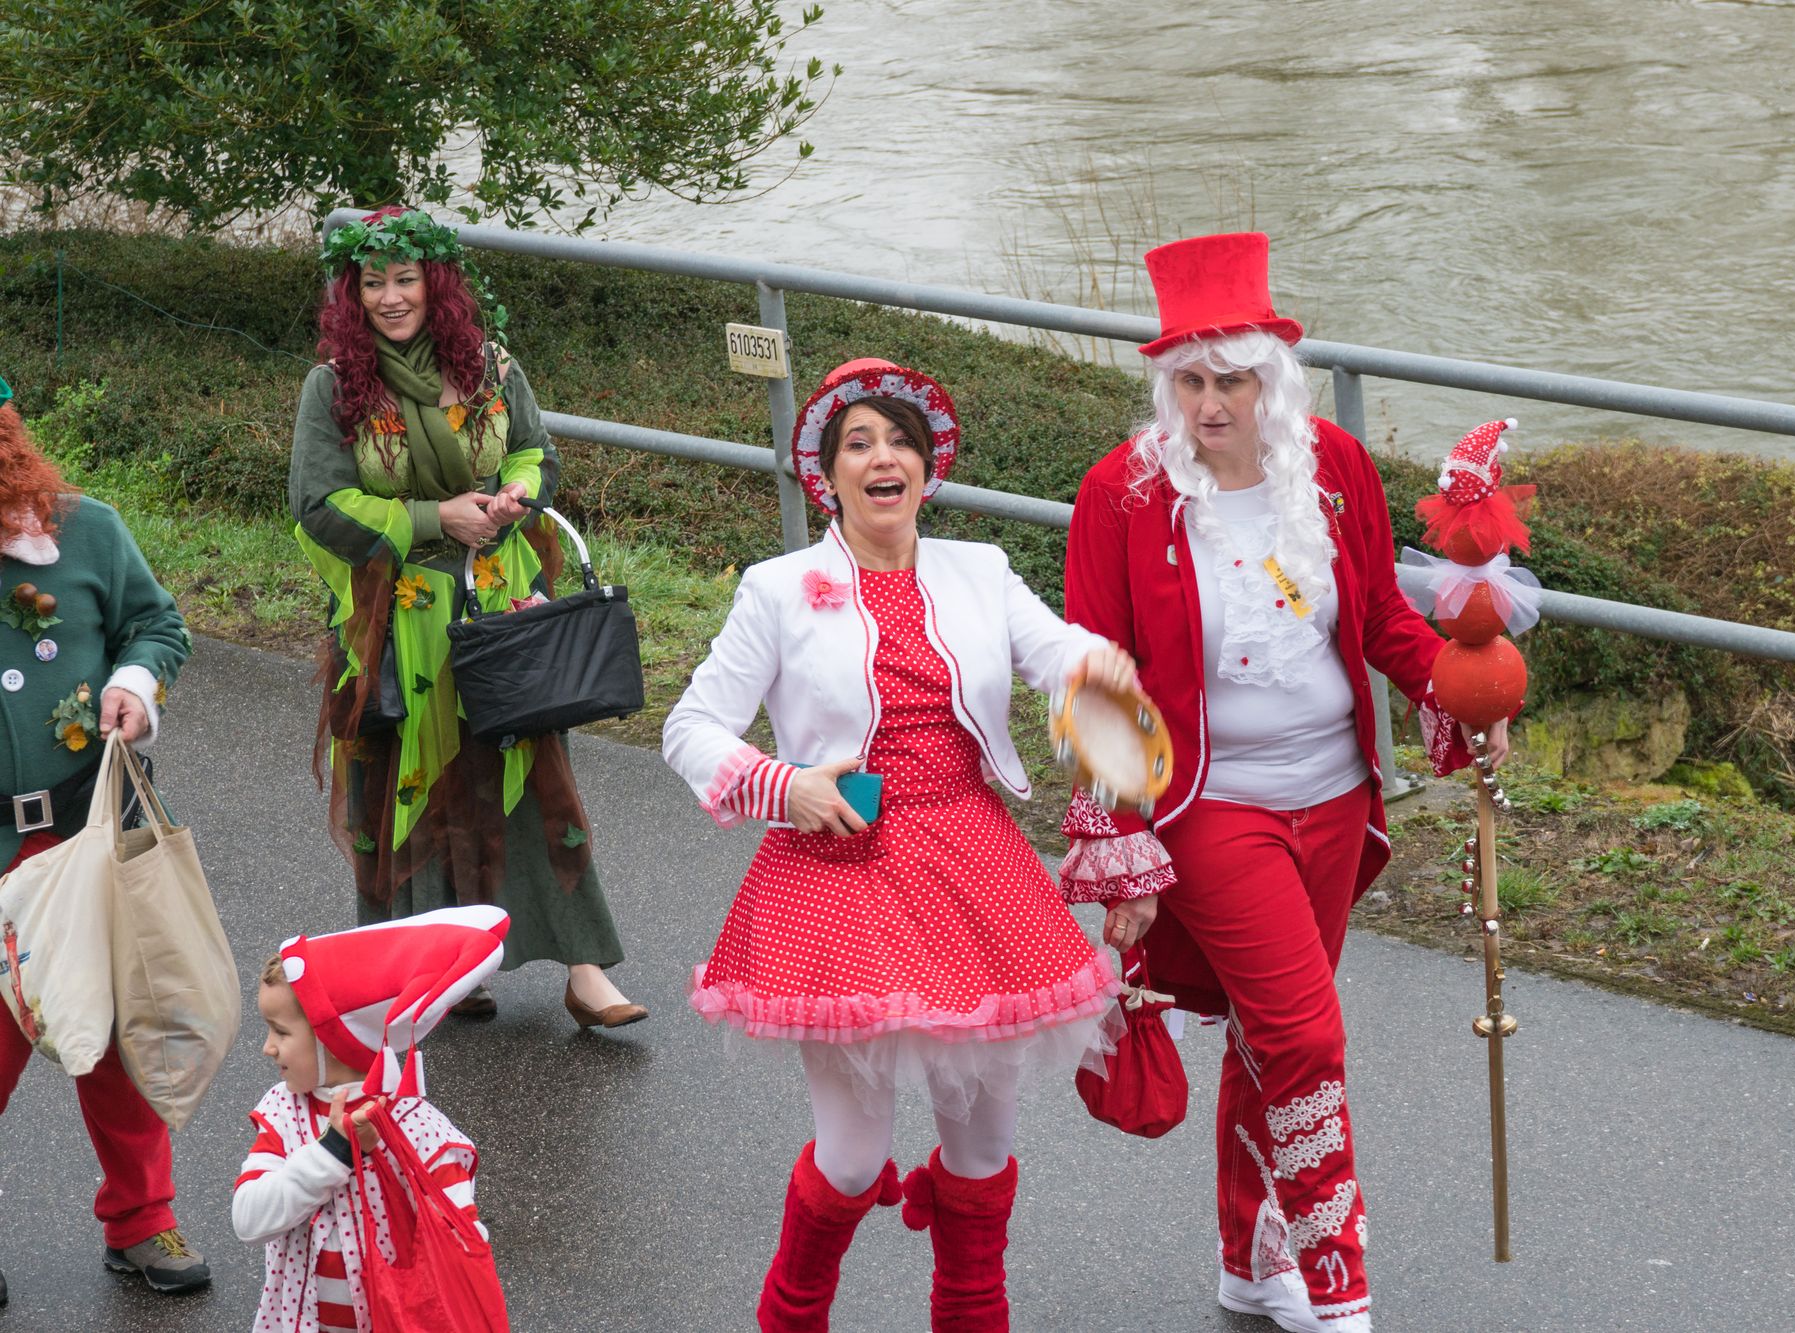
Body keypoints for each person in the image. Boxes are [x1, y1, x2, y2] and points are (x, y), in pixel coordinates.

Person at [1059, 234, 1506, 1333]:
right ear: (1165, 385)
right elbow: (1096, 675)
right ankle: (1333, 1278)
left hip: (1333, 796)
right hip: (1210, 806)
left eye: (1232, 379)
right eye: (1189, 382)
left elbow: (1383, 622)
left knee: (1270, 1036)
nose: (1210, 405)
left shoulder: (1335, 471)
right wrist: (1118, 843)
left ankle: (1249, 1253)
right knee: (1306, 1035)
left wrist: (1457, 692)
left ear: (1274, 378)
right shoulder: (1120, 496)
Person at [661, 359, 1136, 1333]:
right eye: (857, 444)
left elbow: (1058, 656)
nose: (882, 459)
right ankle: (791, 1315)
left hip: (974, 866)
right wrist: (782, 786)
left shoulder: (980, 572)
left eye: (898, 442)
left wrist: (1103, 679)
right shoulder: (779, 588)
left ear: (928, 467)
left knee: (981, 1144)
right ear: (826, 477)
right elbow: (691, 726)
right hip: (836, 868)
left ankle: (973, 1315)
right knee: (848, 1156)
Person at [290, 206, 643, 1028]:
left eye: (404, 279)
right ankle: (449, 967)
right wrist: (429, 520)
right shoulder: (334, 386)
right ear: (351, 294)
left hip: (502, 608)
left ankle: (586, 970)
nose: (389, 297)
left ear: (436, 284)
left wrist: (514, 497)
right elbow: (318, 504)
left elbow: (535, 451)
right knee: (415, 790)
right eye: (371, 282)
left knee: (534, 774)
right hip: (399, 622)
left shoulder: (488, 367)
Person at [0, 373, 209, 1299]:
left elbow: (157, 622)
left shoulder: (84, 528)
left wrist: (135, 683)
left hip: (90, 828)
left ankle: (144, 1219)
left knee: (121, 1036)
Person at [234, 905, 508, 1332]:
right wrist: (333, 1150)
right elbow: (249, 1220)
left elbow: (462, 1244)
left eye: (281, 1032)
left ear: (334, 1038)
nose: (268, 1048)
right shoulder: (283, 1112)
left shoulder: (419, 1128)